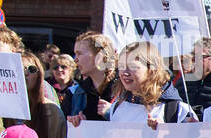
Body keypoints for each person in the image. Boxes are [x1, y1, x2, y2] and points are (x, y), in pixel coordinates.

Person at [69, 42, 197, 127]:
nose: (124, 72)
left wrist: (169, 132)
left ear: (151, 70)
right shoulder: (117, 107)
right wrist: (84, 128)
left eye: (132, 67)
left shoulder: (178, 111)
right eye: (121, 67)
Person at [11, 52, 67, 138]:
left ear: (39, 74)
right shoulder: (1, 109)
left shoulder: (52, 110)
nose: (25, 73)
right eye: (19, 69)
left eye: (31, 69)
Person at [68, 31, 119, 122]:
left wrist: (111, 113)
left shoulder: (124, 88)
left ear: (99, 55)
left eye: (79, 53)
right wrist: (77, 122)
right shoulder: (79, 91)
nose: (75, 59)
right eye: (75, 54)